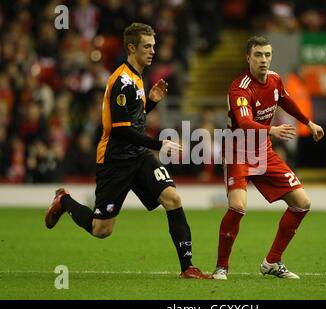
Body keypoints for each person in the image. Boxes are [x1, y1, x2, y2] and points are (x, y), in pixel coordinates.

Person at [44, 23, 210, 279]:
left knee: (173, 199)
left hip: (139, 156)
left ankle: (188, 267)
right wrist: (158, 144)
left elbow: (134, 120)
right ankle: (63, 200)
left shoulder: (137, 76)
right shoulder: (123, 82)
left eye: (154, 46)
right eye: (147, 46)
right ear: (132, 48)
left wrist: (150, 102)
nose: (153, 51)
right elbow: (120, 130)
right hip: (115, 160)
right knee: (101, 230)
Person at [212, 36, 324, 280]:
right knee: (238, 206)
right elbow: (243, 122)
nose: (263, 60)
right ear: (248, 58)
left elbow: (284, 99)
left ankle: (272, 262)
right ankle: (221, 267)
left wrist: (308, 122)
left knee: (302, 203)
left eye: (267, 55)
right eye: (258, 55)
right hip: (238, 152)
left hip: (263, 152)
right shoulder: (239, 88)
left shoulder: (274, 79)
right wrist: (272, 130)